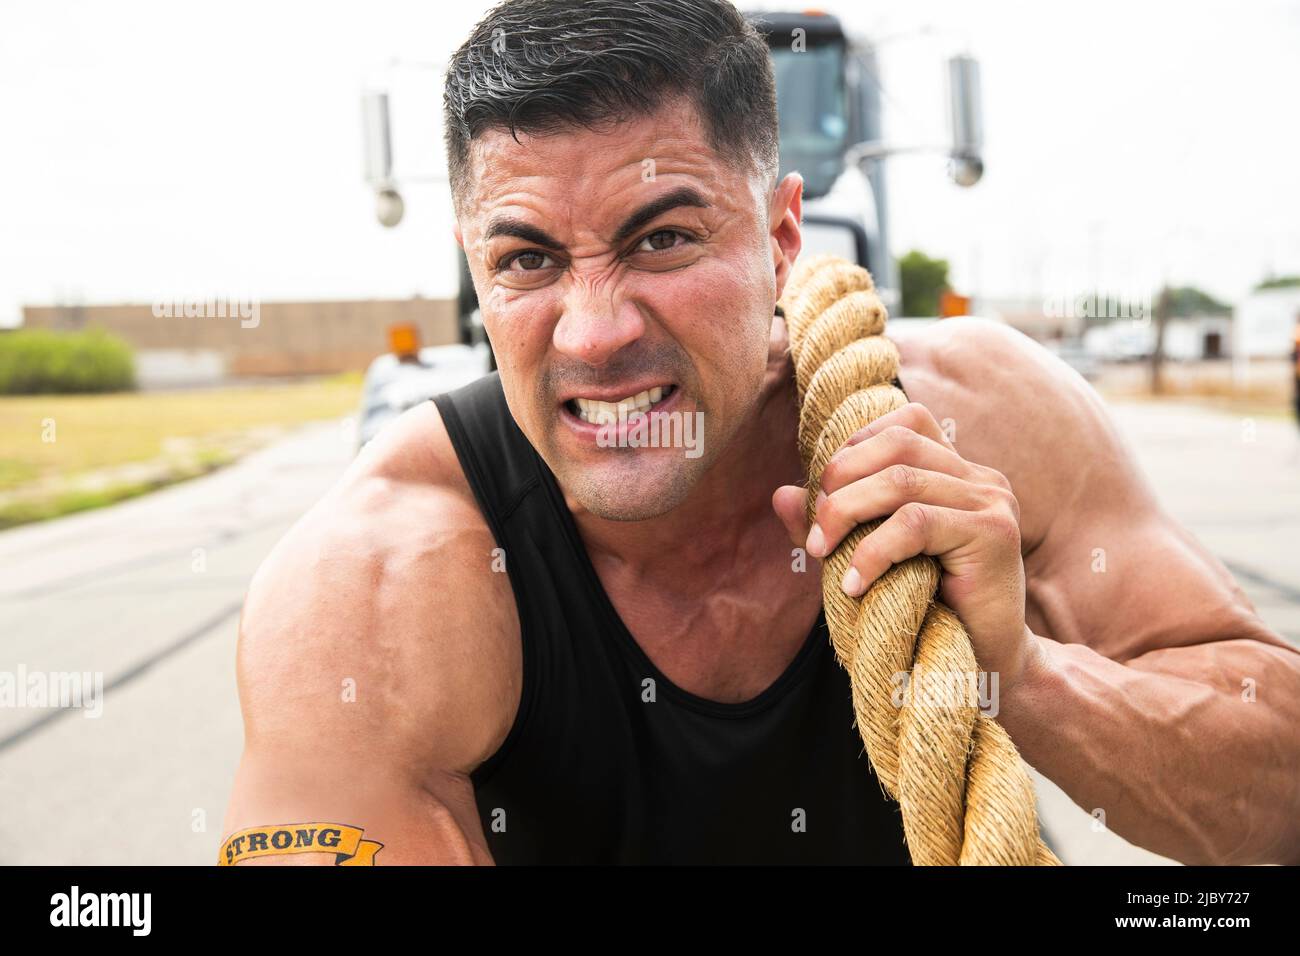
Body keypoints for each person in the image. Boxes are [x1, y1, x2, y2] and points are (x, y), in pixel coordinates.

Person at [221, 0, 1300, 865]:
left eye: (663, 238)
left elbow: (1279, 806)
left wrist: (1019, 670)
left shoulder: (986, 417)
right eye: (529, 260)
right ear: (476, 271)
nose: (593, 335)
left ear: (781, 235)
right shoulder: (370, 583)